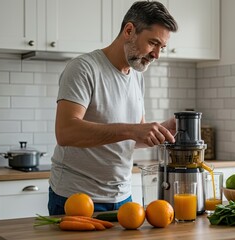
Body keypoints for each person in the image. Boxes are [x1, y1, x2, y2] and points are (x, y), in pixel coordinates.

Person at [48, 1, 178, 215]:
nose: (157, 54)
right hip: (77, 198)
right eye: (153, 43)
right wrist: (132, 129)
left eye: (161, 47)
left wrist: (161, 131)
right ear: (129, 31)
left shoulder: (137, 76)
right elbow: (66, 132)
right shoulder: (84, 68)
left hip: (123, 197)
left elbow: (132, 137)